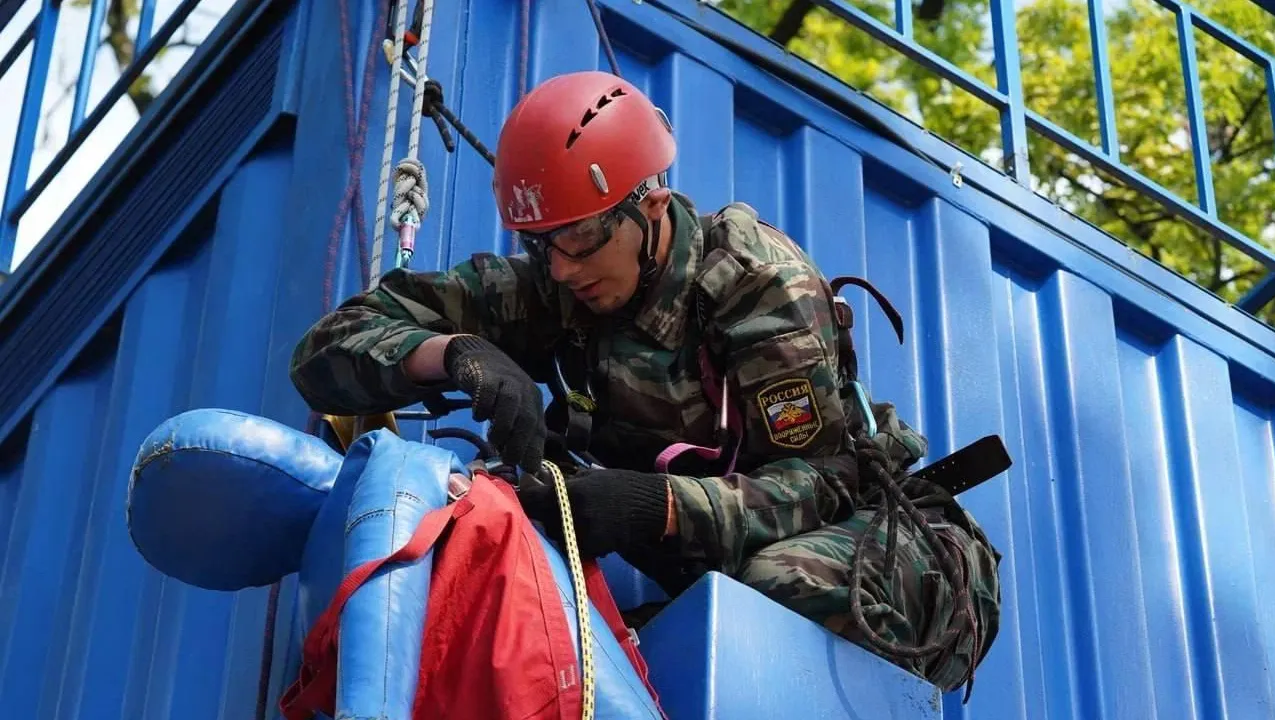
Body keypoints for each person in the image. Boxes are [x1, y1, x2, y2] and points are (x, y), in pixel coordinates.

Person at [289, 70, 1003, 695]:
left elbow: (827, 482)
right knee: (568, 651)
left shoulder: (757, 288)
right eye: (543, 244)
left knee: (759, 601)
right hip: (731, 581)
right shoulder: (556, 287)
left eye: (583, 241)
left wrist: (652, 506)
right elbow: (322, 355)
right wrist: (452, 352)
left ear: (651, 209)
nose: (562, 267)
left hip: (901, 552)